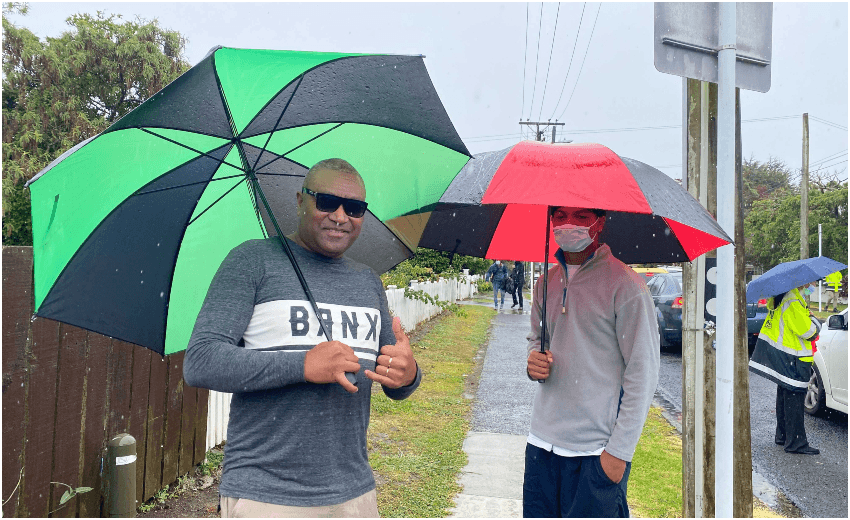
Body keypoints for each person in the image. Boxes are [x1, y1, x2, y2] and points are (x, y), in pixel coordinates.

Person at [184, 158, 422, 517]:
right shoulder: (253, 261)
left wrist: (408, 374)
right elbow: (202, 361)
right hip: (266, 495)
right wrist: (304, 365)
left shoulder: (367, 281)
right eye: (327, 202)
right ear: (300, 202)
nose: (340, 216)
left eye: (354, 208)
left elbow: (393, 379)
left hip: (353, 494)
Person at [524, 206, 660, 518]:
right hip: (541, 445)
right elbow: (536, 339)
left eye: (581, 217)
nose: (568, 224)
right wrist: (533, 361)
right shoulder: (545, 283)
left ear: (600, 223)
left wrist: (619, 452)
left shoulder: (626, 286)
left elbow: (643, 371)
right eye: (560, 216)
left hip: (596, 452)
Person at [749, 282, 821, 455]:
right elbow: (809, 332)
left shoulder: (782, 297)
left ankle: (783, 436)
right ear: (802, 282)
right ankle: (796, 443)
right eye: (812, 282)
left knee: (785, 397)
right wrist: (814, 320)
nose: (813, 285)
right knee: (794, 399)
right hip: (794, 357)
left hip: (784, 356)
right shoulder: (793, 301)